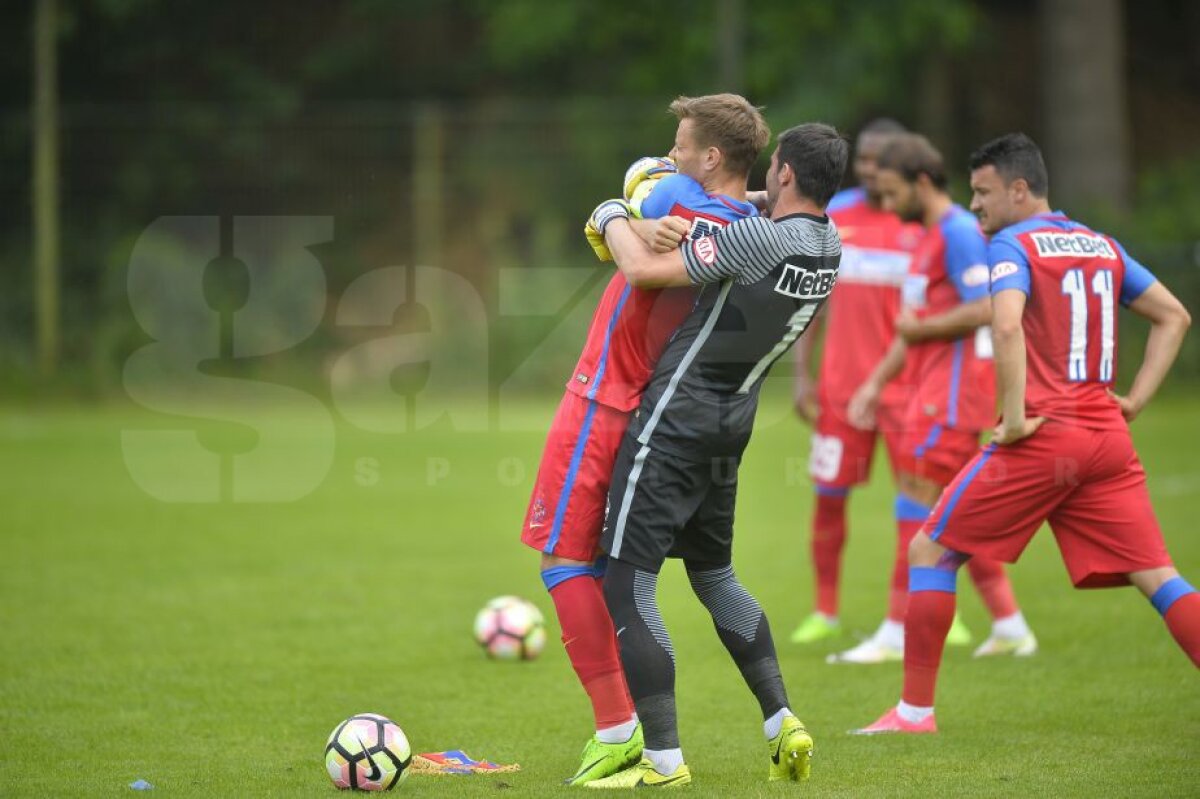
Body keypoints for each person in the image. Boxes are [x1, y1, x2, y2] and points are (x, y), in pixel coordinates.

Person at [854, 132, 1198, 735]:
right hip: (1107, 439)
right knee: (1159, 577)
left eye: (983, 192)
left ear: (1019, 189)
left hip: (1044, 435)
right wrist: (1137, 399)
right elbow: (1175, 316)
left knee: (930, 549)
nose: (975, 204)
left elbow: (1005, 325)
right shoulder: (1101, 243)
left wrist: (1012, 420)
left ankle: (913, 713)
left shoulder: (1012, 244)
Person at [582, 123, 848, 787]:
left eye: (773, 168)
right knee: (715, 576)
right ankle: (781, 718)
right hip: (732, 422)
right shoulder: (828, 243)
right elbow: (760, 204)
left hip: (674, 417)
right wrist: (741, 193)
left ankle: (663, 761)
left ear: (786, 174)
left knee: (627, 584)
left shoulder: (757, 240)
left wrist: (612, 213)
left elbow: (642, 269)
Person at [519, 94, 770, 785]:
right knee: (610, 564)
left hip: (603, 396)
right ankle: (633, 723)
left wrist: (611, 212)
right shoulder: (753, 227)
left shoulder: (676, 198)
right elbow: (671, 192)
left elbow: (638, 183)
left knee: (562, 556)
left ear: (710, 157)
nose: (671, 154)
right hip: (658, 406)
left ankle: (616, 728)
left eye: (682, 144)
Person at [829, 133, 1037, 663]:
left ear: (921, 183)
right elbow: (914, 325)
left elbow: (988, 307)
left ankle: (897, 629)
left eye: (892, 190)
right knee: (952, 513)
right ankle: (1010, 624)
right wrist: (876, 383)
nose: (885, 202)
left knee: (916, 504)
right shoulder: (927, 236)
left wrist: (920, 330)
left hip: (952, 396)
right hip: (930, 392)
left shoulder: (960, 232)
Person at [788, 119, 927, 647]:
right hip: (841, 391)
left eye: (879, 160)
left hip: (910, 390)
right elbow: (813, 301)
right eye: (862, 159)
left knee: (922, 502)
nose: (869, 169)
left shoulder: (922, 222)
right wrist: (802, 375)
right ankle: (824, 610)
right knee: (828, 499)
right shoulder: (833, 216)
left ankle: (921, 608)